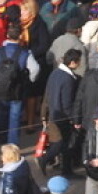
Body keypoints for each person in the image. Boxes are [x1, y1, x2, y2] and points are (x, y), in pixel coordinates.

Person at [0, 24, 41, 145]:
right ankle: (13, 144)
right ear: (20, 36)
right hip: (18, 89)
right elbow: (35, 69)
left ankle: (2, 140)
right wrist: (30, 80)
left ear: (7, 35)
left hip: (1, 88)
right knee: (15, 116)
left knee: (3, 114)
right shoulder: (26, 52)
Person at [40, 49, 83, 177]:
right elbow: (67, 103)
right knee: (65, 144)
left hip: (53, 114)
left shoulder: (55, 73)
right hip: (62, 117)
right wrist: (73, 119)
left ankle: (63, 168)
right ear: (73, 62)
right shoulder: (68, 79)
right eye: (79, 61)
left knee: (61, 144)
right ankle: (62, 168)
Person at [20, 0, 52, 129]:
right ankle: (27, 116)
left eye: (24, 11)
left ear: (31, 12)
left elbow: (44, 45)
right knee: (26, 93)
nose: (21, 13)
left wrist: (29, 53)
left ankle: (31, 122)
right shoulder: (21, 24)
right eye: (21, 10)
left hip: (36, 63)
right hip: (23, 62)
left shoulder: (40, 25)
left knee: (31, 94)